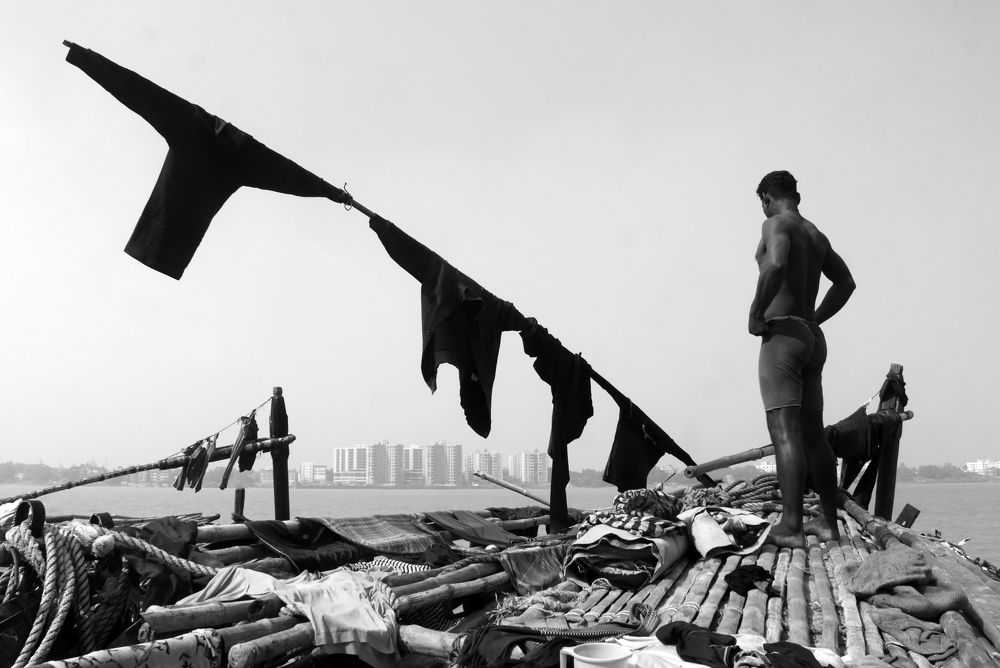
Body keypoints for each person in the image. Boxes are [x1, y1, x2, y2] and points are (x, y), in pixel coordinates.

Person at [749, 171, 856, 547]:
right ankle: (828, 523)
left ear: (766, 197)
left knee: (784, 433)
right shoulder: (815, 234)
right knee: (813, 434)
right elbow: (845, 283)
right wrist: (814, 320)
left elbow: (776, 264)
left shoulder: (775, 223)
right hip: (811, 338)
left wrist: (755, 313)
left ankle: (791, 526)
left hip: (782, 337)